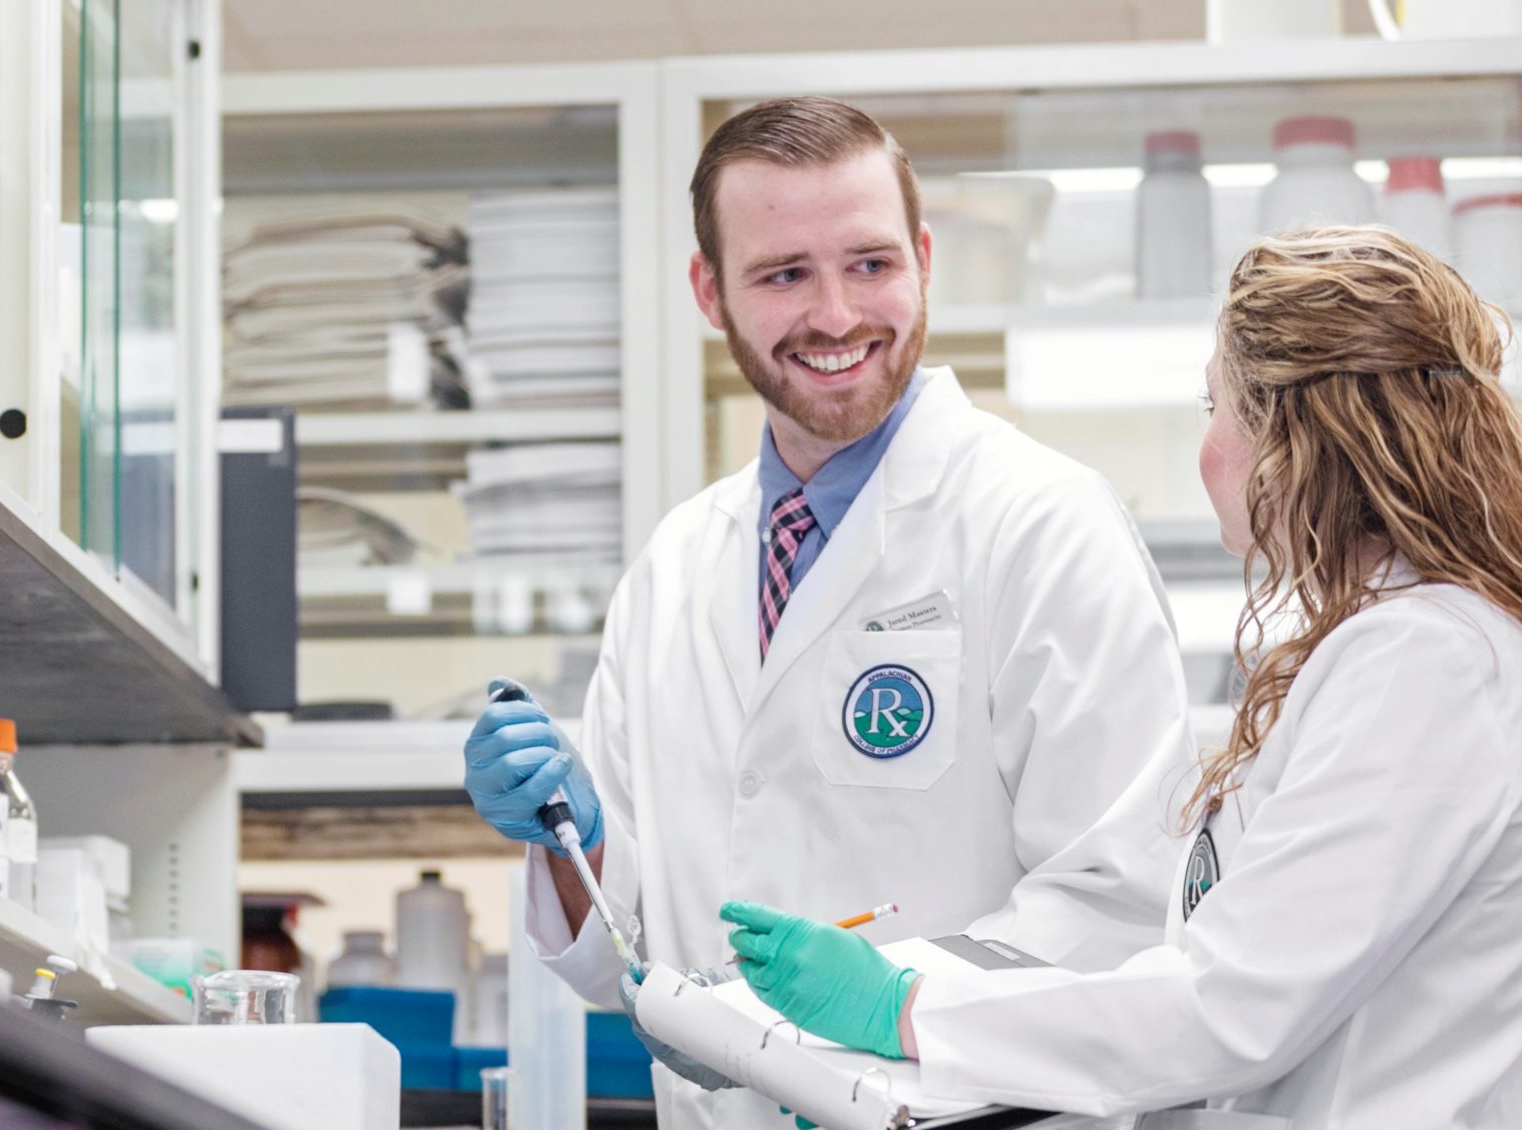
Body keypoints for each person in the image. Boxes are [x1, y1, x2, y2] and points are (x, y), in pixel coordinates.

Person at [461, 96, 1197, 1128]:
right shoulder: (672, 571)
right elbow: (626, 955)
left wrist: (886, 1018)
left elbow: (1119, 902)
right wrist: (568, 842)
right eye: (782, 274)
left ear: (923, 257)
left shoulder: (1040, 524)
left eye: (869, 264)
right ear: (709, 291)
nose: (839, 315)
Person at [725, 227, 1522, 1128]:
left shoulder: (1428, 662)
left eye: (1213, 406)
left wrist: (903, 1011)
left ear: (1290, 439)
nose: (1208, 445)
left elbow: (1231, 1007)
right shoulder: (1397, 645)